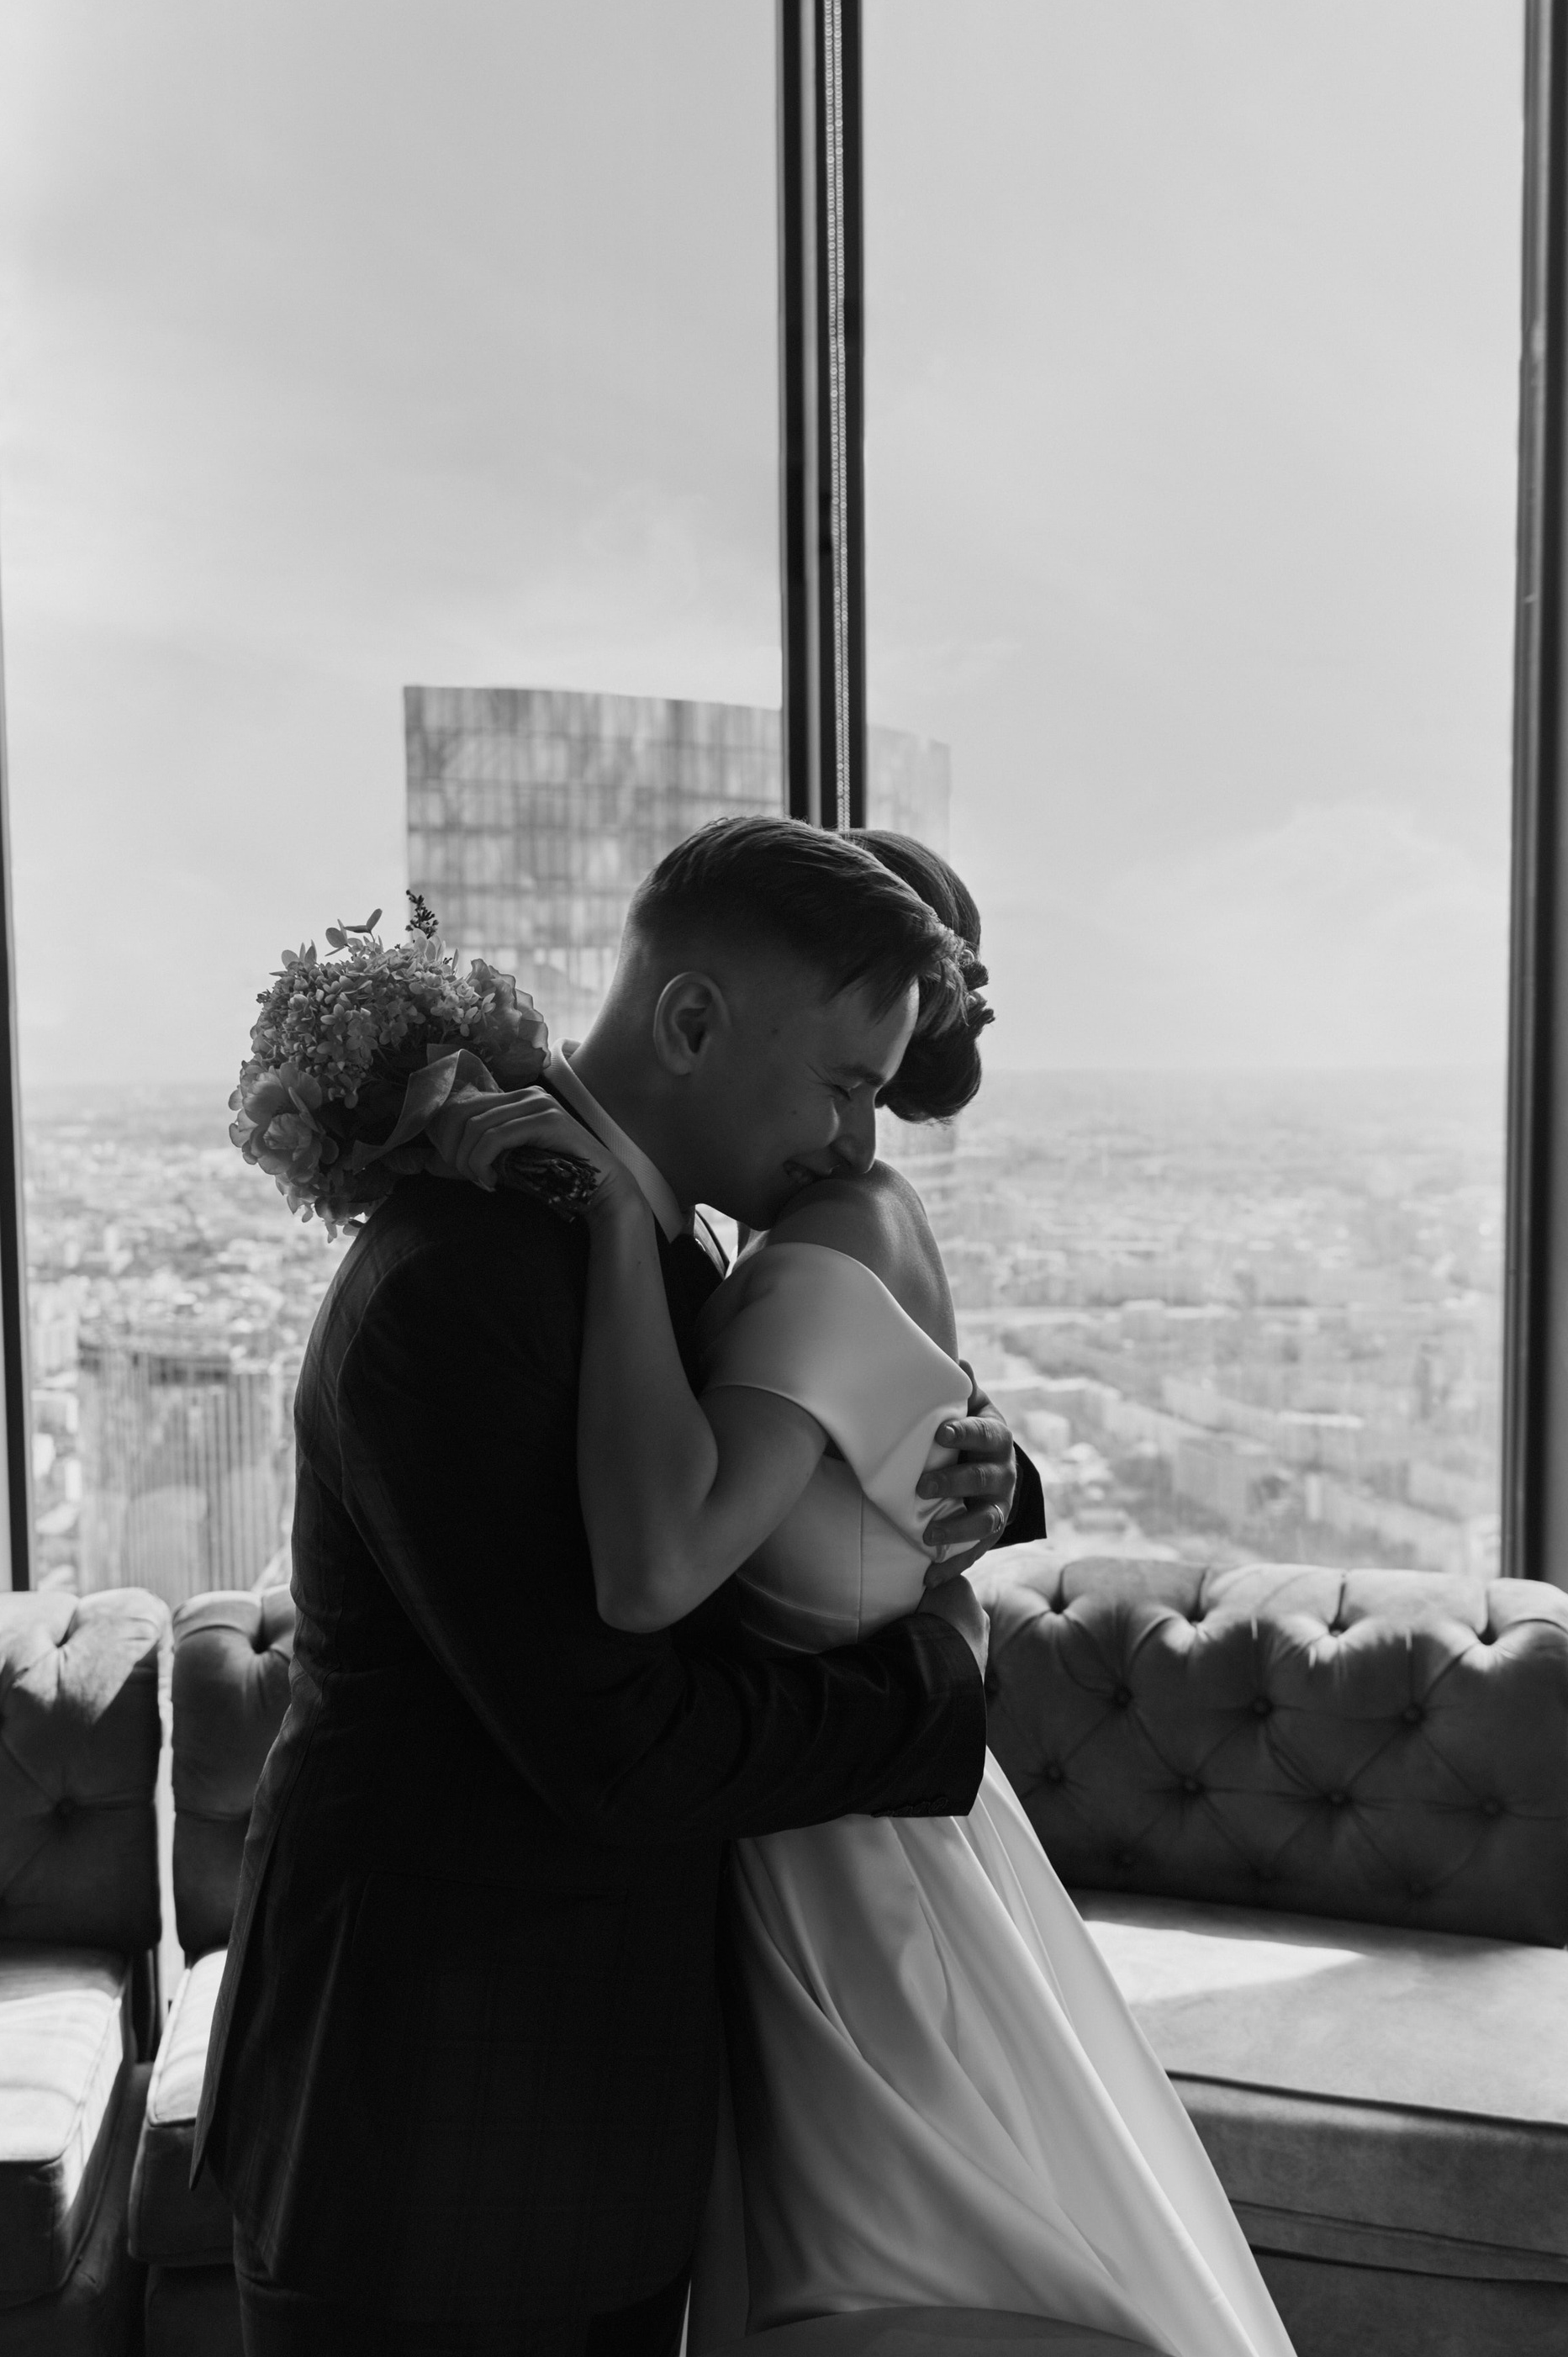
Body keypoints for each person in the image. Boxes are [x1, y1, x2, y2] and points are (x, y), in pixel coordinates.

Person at [194, 816, 1045, 2357]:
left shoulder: (651, 1242)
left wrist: (976, 1467)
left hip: (603, 2127)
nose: (859, 1144)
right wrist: (938, 1690)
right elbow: (620, 1744)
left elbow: (780, 1440)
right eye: (844, 1086)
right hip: (428, 2142)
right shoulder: (463, 1280)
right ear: (694, 1021)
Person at [445, 830, 1296, 2357]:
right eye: (839, 1078)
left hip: (842, 1865)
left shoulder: (806, 1240)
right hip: (827, 1849)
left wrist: (613, 1223)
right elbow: (894, 1450)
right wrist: (975, 1490)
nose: (844, 1132)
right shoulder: (794, 1229)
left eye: (864, 1086)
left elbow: (663, 1563)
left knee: (909, 2291)